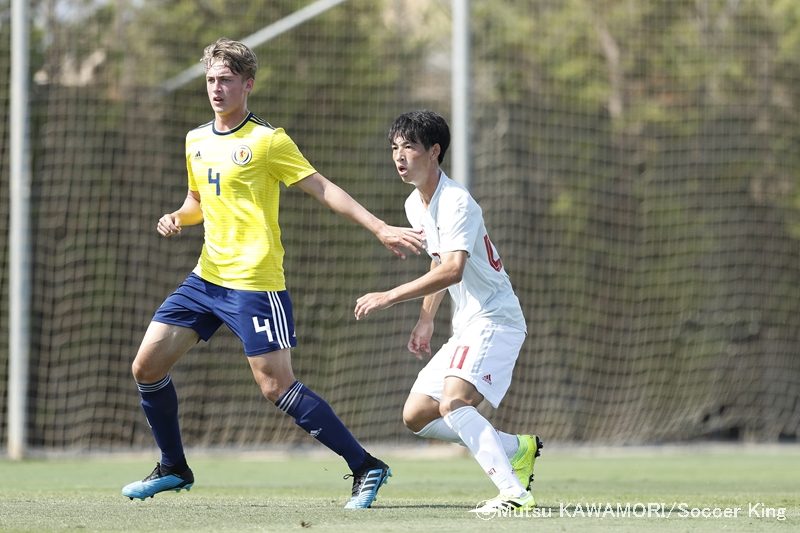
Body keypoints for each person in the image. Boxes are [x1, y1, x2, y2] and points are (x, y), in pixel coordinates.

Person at [121, 38, 424, 509]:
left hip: (256, 283)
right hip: (206, 278)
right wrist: (177, 218)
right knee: (146, 367)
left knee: (275, 386)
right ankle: (174, 468)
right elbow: (197, 202)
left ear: (248, 85)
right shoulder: (196, 140)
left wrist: (380, 227)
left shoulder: (268, 141)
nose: (216, 89)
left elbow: (323, 188)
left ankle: (367, 466)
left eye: (225, 80)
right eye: (210, 80)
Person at [353, 110, 542, 512]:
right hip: (469, 325)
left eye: (409, 147)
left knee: (454, 402)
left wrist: (389, 296)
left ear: (435, 152)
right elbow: (438, 264)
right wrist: (426, 317)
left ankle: (513, 494)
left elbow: (454, 269)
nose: (399, 156)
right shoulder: (414, 204)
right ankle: (515, 448)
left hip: (495, 319)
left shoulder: (457, 201)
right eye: (395, 148)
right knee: (416, 414)